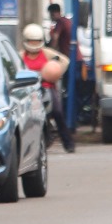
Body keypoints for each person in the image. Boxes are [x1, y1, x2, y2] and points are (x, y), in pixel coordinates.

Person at [21, 23, 75, 153]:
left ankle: (68, 144)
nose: (34, 44)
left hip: (47, 88)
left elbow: (65, 61)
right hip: (28, 90)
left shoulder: (46, 53)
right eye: (31, 41)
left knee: (57, 112)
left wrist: (53, 73)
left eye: (37, 41)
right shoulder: (20, 56)